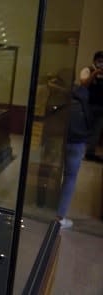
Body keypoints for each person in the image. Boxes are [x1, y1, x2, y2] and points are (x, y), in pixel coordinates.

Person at [56, 84, 92, 229]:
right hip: (78, 144)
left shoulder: (64, 105)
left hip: (61, 141)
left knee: (55, 173)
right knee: (70, 178)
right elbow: (91, 125)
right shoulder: (85, 106)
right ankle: (60, 216)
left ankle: (47, 209)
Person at [79, 51, 103, 162]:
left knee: (96, 132)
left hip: (101, 107)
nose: (101, 64)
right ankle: (80, 151)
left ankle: (90, 153)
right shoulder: (87, 70)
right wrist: (94, 73)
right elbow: (83, 84)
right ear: (95, 61)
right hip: (87, 106)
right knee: (84, 129)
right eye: (100, 61)